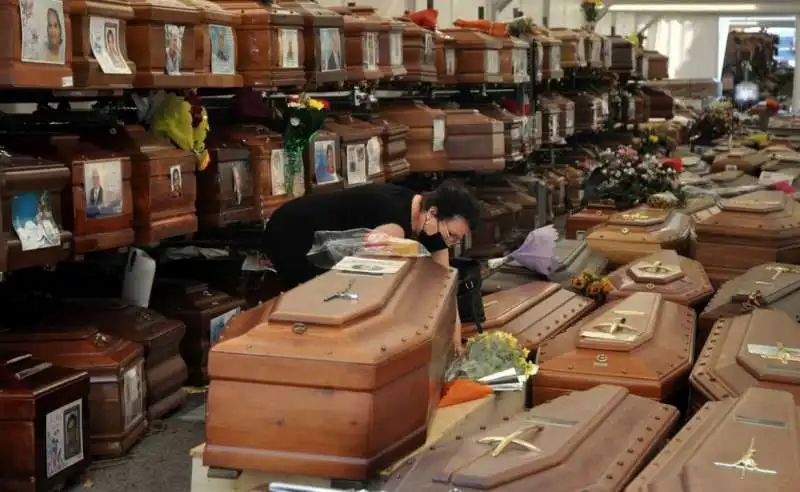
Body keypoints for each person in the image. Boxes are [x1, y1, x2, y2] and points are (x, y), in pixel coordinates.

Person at [262, 181, 480, 350]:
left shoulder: (433, 226)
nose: (450, 242)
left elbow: (444, 287)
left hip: (326, 241)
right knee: (310, 302)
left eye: (457, 239)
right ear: (433, 213)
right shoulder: (395, 220)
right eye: (451, 235)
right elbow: (366, 280)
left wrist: (455, 343)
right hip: (294, 231)